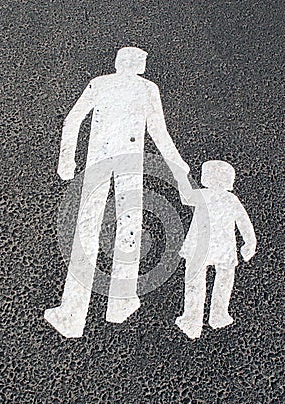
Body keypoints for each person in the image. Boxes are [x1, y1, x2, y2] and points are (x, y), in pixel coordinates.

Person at [44, 47, 189, 338]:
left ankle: (72, 313)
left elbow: (72, 120)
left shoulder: (100, 83)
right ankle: (120, 302)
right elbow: (159, 132)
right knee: (129, 225)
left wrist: (66, 159)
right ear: (138, 64)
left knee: (87, 229)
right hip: (129, 163)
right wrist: (178, 164)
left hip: (97, 161)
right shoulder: (147, 88)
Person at [176, 160, 257, 339]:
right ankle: (218, 314)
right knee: (224, 279)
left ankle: (193, 318)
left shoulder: (203, 195)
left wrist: (181, 176)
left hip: (200, 246)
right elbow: (244, 223)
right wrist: (250, 243)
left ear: (207, 178)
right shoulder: (231, 199)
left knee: (195, 282)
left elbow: (185, 196)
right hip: (223, 247)